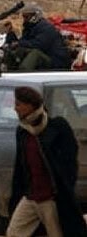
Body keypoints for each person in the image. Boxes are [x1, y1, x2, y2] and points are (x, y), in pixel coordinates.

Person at [7, 86, 87, 237]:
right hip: (31, 197)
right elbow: (20, 166)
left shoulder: (57, 127)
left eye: (18, 104)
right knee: (14, 232)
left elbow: (70, 160)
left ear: (30, 105)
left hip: (51, 199)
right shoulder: (23, 131)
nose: (15, 108)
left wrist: (65, 189)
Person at [5, 3, 70, 71]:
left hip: (55, 61)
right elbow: (24, 41)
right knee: (16, 51)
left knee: (35, 54)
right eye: (24, 17)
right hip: (45, 57)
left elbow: (38, 44)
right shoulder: (29, 27)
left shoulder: (46, 28)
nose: (24, 19)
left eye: (27, 17)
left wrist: (19, 43)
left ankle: (23, 72)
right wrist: (11, 35)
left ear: (35, 16)